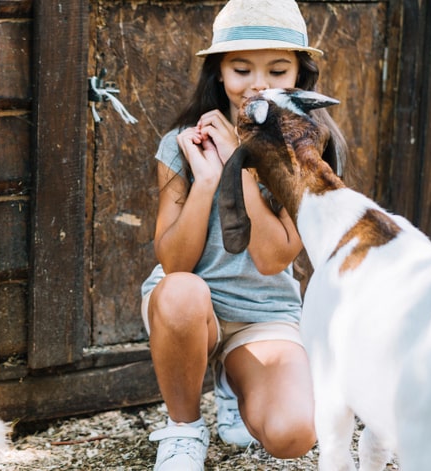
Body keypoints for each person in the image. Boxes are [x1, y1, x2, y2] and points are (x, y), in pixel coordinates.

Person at [139, 0, 349, 470]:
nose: (258, 84)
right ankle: (185, 430)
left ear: (300, 75)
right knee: (181, 292)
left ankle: (234, 382)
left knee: (295, 434)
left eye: (277, 70)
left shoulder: (311, 151)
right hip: (189, 307)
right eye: (241, 69)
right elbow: (175, 264)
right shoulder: (182, 141)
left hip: (265, 311)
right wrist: (208, 181)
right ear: (219, 74)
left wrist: (242, 161)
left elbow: (275, 258)